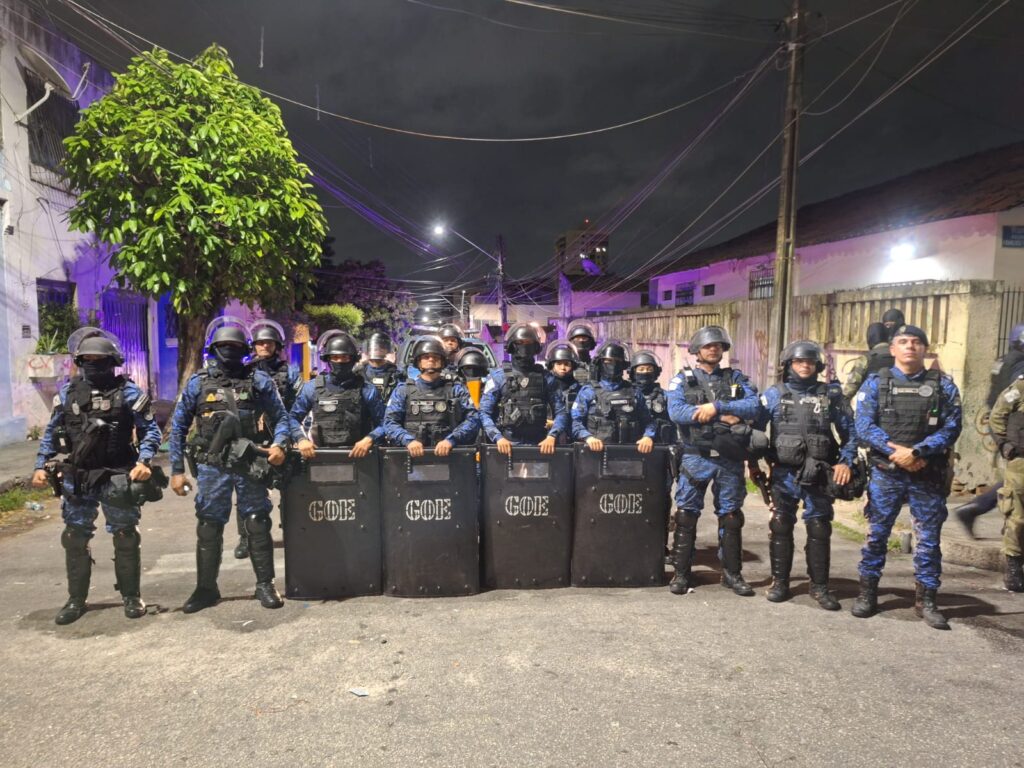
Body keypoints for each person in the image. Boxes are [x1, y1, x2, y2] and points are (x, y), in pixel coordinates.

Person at [31, 329, 162, 624]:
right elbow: (52, 432)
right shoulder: (67, 393)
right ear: (79, 361)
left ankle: (131, 596)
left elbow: (150, 430)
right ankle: (76, 599)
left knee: (126, 535)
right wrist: (41, 465)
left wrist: (145, 460)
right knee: (74, 537)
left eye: (99, 359)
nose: (92, 364)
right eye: (87, 359)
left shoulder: (128, 392)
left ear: (112, 361)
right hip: (79, 476)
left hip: (117, 473)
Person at [169, 320, 292, 613]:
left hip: (249, 461)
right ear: (214, 350)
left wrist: (279, 444)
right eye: (224, 348)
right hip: (213, 466)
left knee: (257, 521)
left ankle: (265, 584)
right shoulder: (198, 383)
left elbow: (282, 417)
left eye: (236, 348)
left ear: (245, 351)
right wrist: (176, 470)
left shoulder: (259, 380)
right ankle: (206, 588)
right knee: (209, 526)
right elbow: (178, 427)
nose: (230, 352)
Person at [852, 324, 962, 629]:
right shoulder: (876, 383)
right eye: (903, 342)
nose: (910, 346)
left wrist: (919, 452)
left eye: (916, 342)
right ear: (892, 349)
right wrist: (898, 453)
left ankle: (926, 600)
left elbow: (952, 426)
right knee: (876, 536)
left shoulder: (943, 385)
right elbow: (863, 425)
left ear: (925, 349)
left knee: (928, 540)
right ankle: (867, 594)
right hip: (887, 472)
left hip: (927, 471)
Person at [757, 340, 857, 610]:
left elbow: (850, 433)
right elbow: (755, 427)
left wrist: (846, 462)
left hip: (819, 474)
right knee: (780, 525)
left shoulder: (831, 395)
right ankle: (780, 583)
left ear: (818, 366)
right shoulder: (775, 394)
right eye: (799, 361)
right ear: (789, 364)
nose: (805, 366)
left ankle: (820, 587)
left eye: (810, 362)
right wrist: (756, 458)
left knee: (819, 528)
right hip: (784, 474)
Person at [666, 325, 760, 597]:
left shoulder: (736, 378)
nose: (714, 349)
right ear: (697, 349)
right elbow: (677, 412)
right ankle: (682, 574)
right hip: (696, 456)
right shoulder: (682, 380)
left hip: (729, 459)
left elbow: (754, 406)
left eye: (718, 345)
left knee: (731, 517)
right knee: (686, 516)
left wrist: (717, 407)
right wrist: (723, 416)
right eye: (708, 345)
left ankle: (732, 574)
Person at [235, 319, 302, 559]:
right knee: (247, 487)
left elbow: (298, 402)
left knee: (289, 486)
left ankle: (292, 532)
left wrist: (296, 434)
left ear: (277, 345)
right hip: (253, 434)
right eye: (260, 343)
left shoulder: (290, 371)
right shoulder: (245, 369)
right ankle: (246, 537)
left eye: (268, 343)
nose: (264, 346)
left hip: (281, 432)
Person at [952, 323, 1024, 536]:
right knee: (1016, 479)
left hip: (1002, 425)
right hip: (1013, 429)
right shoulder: (1020, 365)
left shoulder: (1004, 360)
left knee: (1014, 478)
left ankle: (976, 510)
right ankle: (986, 513)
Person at [291, 332, 385, 458]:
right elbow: (292, 419)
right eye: (335, 357)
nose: (340, 361)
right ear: (328, 359)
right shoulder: (312, 388)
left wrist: (370, 439)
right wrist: (301, 439)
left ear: (353, 359)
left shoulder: (366, 389)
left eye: (345, 357)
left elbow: (386, 422)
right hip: (321, 456)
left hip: (359, 457)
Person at [479, 323, 568, 455]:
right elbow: (484, 412)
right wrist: (498, 438)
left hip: (539, 445)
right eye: (520, 342)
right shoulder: (498, 377)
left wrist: (552, 436)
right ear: (511, 345)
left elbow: (561, 412)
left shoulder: (545, 378)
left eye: (529, 342)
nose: (524, 346)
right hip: (507, 445)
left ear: (536, 346)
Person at [383, 336, 480, 456]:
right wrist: (408, 441)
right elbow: (389, 422)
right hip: (411, 459)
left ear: (443, 361)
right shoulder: (403, 390)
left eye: (436, 357)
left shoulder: (456, 389)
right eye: (426, 357)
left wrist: (451, 440)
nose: (431, 360)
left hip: (449, 456)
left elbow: (473, 419)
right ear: (418, 361)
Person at [570, 340, 655, 454]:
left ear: (623, 365)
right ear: (600, 363)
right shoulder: (589, 391)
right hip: (597, 454)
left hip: (630, 454)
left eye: (617, 361)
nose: (613, 365)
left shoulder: (634, 392)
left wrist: (648, 437)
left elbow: (648, 421)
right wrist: (588, 438)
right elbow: (576, 423)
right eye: (608, 361)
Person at [984, 374, 1024, 592]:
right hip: (1021, 462)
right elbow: (997, 416)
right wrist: (1004, 443)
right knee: (1017, 516)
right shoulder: (1019, 387)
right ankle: (1014, 564)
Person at [842, 322, 892, 402]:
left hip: (872, 407)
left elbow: (850, 388)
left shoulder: (865, 359)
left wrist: (842, 404)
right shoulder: (899, 356)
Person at [359, 332, 404, 404]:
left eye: (381, 347)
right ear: (367, 350)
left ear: (387, 349)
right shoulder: (359, 373)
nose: (377, 349)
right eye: (374, 347)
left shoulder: (397, 374)